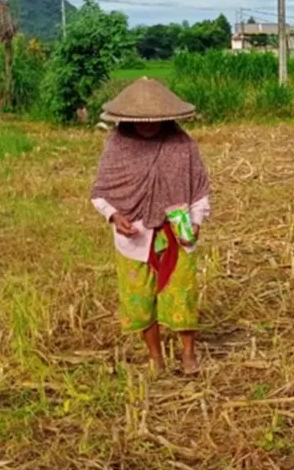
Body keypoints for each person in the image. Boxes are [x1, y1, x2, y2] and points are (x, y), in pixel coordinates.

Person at [90, 78, 211, 374]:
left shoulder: (181, 144)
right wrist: (114, 216)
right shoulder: (118, 145)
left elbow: (199, 190)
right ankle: (155, 357)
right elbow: (100, 192)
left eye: (153, 120)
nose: (147, 126)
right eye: (139, 121)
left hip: (176, 231)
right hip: (133, 237)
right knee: (140, 299)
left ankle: (187, 354)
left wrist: (196, 222)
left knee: (182, 293)